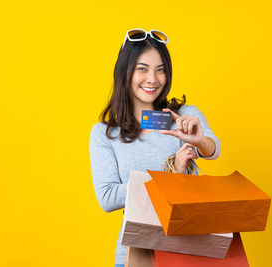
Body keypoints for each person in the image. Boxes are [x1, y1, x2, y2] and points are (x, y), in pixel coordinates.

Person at [89, 29, 221, 267]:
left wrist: (199, 140)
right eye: (142, 68)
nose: (153, 79)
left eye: (161, 70)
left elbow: (213, 150)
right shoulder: (105, 133)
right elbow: (107, 197)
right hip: (136, 253)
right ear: (124, 72)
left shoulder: (184, 116)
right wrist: (169, 177)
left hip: (191, 250)